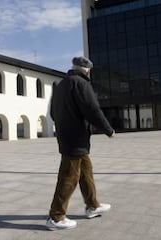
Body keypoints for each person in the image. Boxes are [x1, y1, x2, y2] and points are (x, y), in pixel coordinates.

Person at [46, 56, 115, 230]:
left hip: (67, 136)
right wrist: (108, 129)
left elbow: (53, 112)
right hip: (76, 138)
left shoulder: (61, 85)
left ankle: (92, 205)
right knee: (69, 177)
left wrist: (64, 124)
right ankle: (56, 216)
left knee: (86, 171)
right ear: (87, 70)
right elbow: (92, 110)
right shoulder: (81, 84)